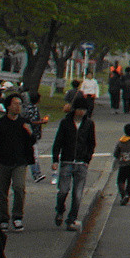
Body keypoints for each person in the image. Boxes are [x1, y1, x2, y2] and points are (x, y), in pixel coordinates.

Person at [0, 94, 39, 231]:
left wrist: (30, 132)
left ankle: (17, 217)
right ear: (8, 106)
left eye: (20, 104)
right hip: (2, 161)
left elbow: (32, 141)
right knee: (2, 192)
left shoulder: (24, 123)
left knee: (19, 188)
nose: (18, 107)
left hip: (20, 161)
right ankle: (3, 219)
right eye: (15, 104)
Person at [52, 97, 96, 229]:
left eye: (84, 110)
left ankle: (72, 219)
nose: (81, 112)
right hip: (67, 160)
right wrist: (55, 159)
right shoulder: (65, 122)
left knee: (77, 194)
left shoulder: (89, 124)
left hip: (81, 162)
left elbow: (91, 143)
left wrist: (87, 159)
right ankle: (60, 209)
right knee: (63, 191)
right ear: (74, 109)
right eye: (79, 109)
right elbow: (58, 141)